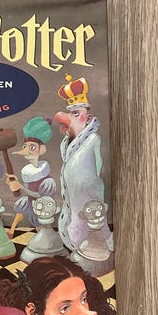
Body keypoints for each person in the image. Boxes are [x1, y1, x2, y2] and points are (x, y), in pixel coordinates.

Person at [54, 75, 113, 252]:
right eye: (71, 113)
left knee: (91, 224)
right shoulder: (66, 142)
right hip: (73, 196)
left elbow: (98, 168)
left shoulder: (93, 139)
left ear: (88, 118)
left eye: (76, 113)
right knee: (75, 224)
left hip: (89, 194)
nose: (72, 118)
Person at [5, 116, 56, 228]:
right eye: (25, 146)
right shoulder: (28, 171)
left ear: (42, 149)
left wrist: (21, 188)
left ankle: (40, 234)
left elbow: (43, 198)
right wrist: (15, 183)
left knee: (37, 217)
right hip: (29, 202)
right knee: (20, 206)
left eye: (32, 147)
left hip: (43, 207)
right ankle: (12, 230)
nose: (26, 151)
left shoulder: (48, 181)